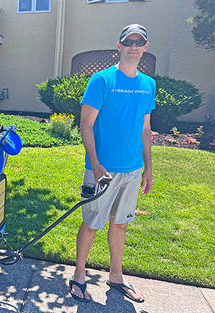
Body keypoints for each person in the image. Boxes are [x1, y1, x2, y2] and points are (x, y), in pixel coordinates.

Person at [69, 24, 156, 304]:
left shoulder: (148, 85)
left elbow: (145, 129)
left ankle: (116, 276)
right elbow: (86, 125)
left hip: (132, 170)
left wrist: (148, 168)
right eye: (128, 42)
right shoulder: (102, 80)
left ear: (144, 47)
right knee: (92, 223)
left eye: (138, 42)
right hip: (102, 170)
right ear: (119, 46)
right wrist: (94, 164)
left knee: (120, 224)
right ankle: (79, 275)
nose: (133, 47)